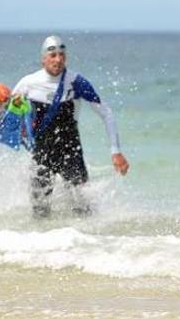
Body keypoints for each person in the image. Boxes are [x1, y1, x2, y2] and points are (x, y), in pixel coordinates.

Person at [11, 35, 130, 218]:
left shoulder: (76, 82)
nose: (58, 60)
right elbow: (11, 114)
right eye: (53, 55)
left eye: (61, 55)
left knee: (83, 209)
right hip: (41, 152)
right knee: (39, 211)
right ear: (43, 58)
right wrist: (16, 109)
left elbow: (106, 113)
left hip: (70, 150)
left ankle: (86, 243)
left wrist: (116, 151)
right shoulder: (28, 83)